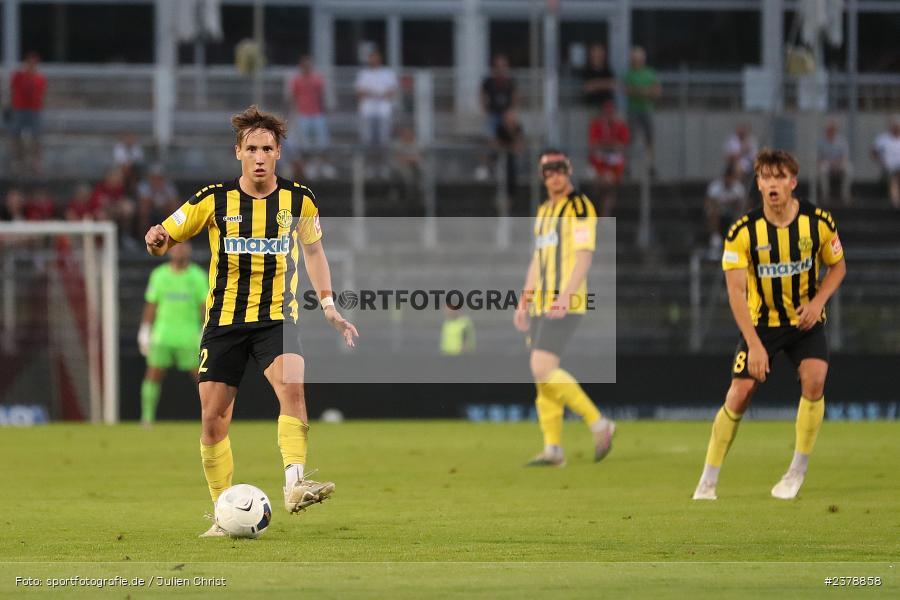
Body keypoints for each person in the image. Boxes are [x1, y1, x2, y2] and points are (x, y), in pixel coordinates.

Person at [143, 105, 359, 536]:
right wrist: (157, 238)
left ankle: (295, 485)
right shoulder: (213, 200)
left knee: (292, 388)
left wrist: (330, 305)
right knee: (212, 421)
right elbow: (166, 234)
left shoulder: (299, 200)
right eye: (252, 148)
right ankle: (223, 516)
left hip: (277, 317)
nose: (259, 156)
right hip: (224, 322)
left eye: (268, 148)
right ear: (238, 152)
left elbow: (314, 253)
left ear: (278, 153)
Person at [692, 148, 846, 501]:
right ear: (758, 184)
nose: (773, 183)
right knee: (740, 393)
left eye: (780, 177)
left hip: (805, 321)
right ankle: (708, 479)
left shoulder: (818, 221)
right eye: (766, 177)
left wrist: (819, 302)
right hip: (760, 325)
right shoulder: (742, 231)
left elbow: (838, 266)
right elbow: (735, 293)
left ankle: (796, 471)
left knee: (815, 380)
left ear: (792, 182)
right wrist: (755, 344)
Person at [513, 149, 615, 467]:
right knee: (542, 374)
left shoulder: (580, 207)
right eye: (548, 170)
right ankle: (553, 448)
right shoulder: (544, 211)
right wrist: (525, 300)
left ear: (569, 169)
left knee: (541, 367)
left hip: (565, 302)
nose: (555, 175)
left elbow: (584, 255)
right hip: (543, 303)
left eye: (560, 168)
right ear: (541, 175)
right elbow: (537, 260)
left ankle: (599, 423)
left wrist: (565, 296)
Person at [137, 241, 208, 427]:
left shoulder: (198, 276)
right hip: (163, 335)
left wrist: (205, 330)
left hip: (189, 336)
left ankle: (211, 416)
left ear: (189, 250)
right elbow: (151, 304)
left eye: (183, 247)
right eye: (176, 247)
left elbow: (204, 306)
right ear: (169, 251)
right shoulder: (159, 275)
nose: (179, 250)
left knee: (203, 378)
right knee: (153, 374)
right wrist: (145, 329)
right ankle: (147, 418)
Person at [285, 55, 335, 180]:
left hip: (317, 114)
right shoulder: (296, 80)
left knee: (322, 141)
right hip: (303, 115)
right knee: (305, 144)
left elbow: (322, 96)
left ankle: (324, 165)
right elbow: (292, 98)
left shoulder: (317, 79)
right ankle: (310, 166)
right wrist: (290, 114)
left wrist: (325, 112)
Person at [477, 55, 519, 181]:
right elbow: (483, 96)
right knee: (491, 137)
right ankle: (490, 165)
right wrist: (485, 111)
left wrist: (511, 112)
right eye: (498, 66)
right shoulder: (489, 82)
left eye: (503, 66)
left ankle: (507, 162)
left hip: (505, 116)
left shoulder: (510, 82)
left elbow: (515, 98)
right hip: (493, 115)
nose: (501, 69)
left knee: (512, 133)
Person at [587, 100, 630, 217]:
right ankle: (598, 208)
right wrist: (611, 145)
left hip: (613, 164)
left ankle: (605, 214)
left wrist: (606, 144)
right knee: (601, 181)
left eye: (611, 113)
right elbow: (594, 145)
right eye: (607, 113)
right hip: (599, 162)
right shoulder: (596, 125)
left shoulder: (620, 126)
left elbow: (623, 146)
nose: (609, 116)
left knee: (609, 183)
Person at [622, 47, 660, 176]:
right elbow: (627, 91)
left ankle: (651, 165)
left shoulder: (649, 73)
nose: (637, 61)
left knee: (649, 139)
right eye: (635, 59)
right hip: (633, 110)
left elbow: (656, 91)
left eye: (639, 59)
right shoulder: (629, 74)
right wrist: (645, 91)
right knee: (630, 139)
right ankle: (627, 167)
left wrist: (640, 91)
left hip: (647, 109)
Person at [9, 52, 47, 174]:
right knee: (16, 135)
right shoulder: (18, 76)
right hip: (20, 108)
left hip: (34, 109)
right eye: (29, 63)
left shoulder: (40, 78)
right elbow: (15, 89)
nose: (31, 66)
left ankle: (36, 162)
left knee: (36, 137)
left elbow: (38, 93)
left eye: (33, 63)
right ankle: (18, 161)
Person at [355, 48, 398, 152]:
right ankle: (368, 159)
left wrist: (371, 93)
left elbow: (392, 92)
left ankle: (383, 161)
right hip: (367, 110)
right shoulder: (363, 74)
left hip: (384, 110)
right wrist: (379, 94)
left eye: (375, 58)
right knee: (366, 138)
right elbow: (360, 93)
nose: (373, 60)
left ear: (380, 59)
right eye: (371, 58)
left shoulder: (388, 73)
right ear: (369, 60)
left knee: (384, 138)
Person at [704, 163, 747, 256]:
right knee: (713, 211)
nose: (728, 180)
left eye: (730, 178)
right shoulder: (715, 186)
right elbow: (708, 202)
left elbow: (742, 205)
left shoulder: (738, 188)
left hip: (731, 213)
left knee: (742, 213)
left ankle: (736, 237)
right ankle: (715, 237)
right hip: (718, 213)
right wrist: (718, 204)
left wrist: (732, 204)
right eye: (726, 177)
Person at [818, 119, 852, 206]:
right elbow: (819, 158)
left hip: (839, 163)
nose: (830, 131)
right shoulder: (821, 141)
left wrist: (837, 164)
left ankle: (845, 195)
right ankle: (825, 195)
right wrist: (829, 163)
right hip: (827, 164)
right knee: (822, 169)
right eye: (829, 129)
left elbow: (845, 157)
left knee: (849, 169)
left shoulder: (842, 141)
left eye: (832, 129)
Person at [871, 116, 900, 209]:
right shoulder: (882, 139)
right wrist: (881, 161)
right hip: (887, 169)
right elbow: (873, 153)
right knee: (894, 177)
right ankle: (895, 202)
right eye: (895, 126)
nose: (896, 128)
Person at [580, 43, 616, 110]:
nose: (597, 55)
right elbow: (587, 87)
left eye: (600, 53)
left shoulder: (608, 70)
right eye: (595, 52)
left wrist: (595, 84)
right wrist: (604, 83)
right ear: (590, 54)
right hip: (590, 107)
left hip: (606, 108)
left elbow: (613, 85)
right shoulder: (586, 70)